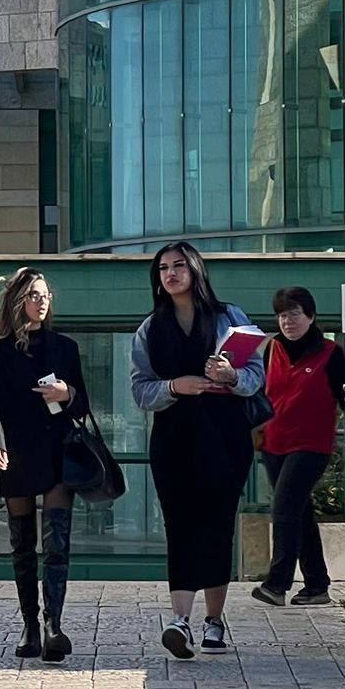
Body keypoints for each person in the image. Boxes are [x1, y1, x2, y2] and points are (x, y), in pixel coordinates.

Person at [131, 241, 266, 660]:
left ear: (195, 270)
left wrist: (230, 376)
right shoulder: (150, 328)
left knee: (217, 524)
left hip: (225, 436)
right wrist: (175, 386)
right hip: (173, 438)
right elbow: (140, 390)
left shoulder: (230, 315)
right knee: (180, 525)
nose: (170, 274)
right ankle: (179, 621)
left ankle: (214, 621)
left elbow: (256, 376)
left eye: (178, 266)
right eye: (163, 268)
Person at [0, 267, 89, 663]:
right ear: (17, 301)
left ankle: (54, 625)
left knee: (57, 543)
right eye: (34, 295)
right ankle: (30, 626)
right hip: (17, 454)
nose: (41, 302)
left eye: (45, 296)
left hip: (58, 450)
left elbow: (83, 405)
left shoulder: (65, 348)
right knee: (23, 546)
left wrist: (66, 392)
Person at [250, 287, 345, 609]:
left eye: (294, 314)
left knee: (283, 511)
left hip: (310, 446)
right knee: (300, 514)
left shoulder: (331, 354)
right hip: (273, 444)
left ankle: (277, 584)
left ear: (311, 316)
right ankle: (317, 585)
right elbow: (262, 392)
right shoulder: (272, 349)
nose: (287, 321)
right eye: (282, 315)